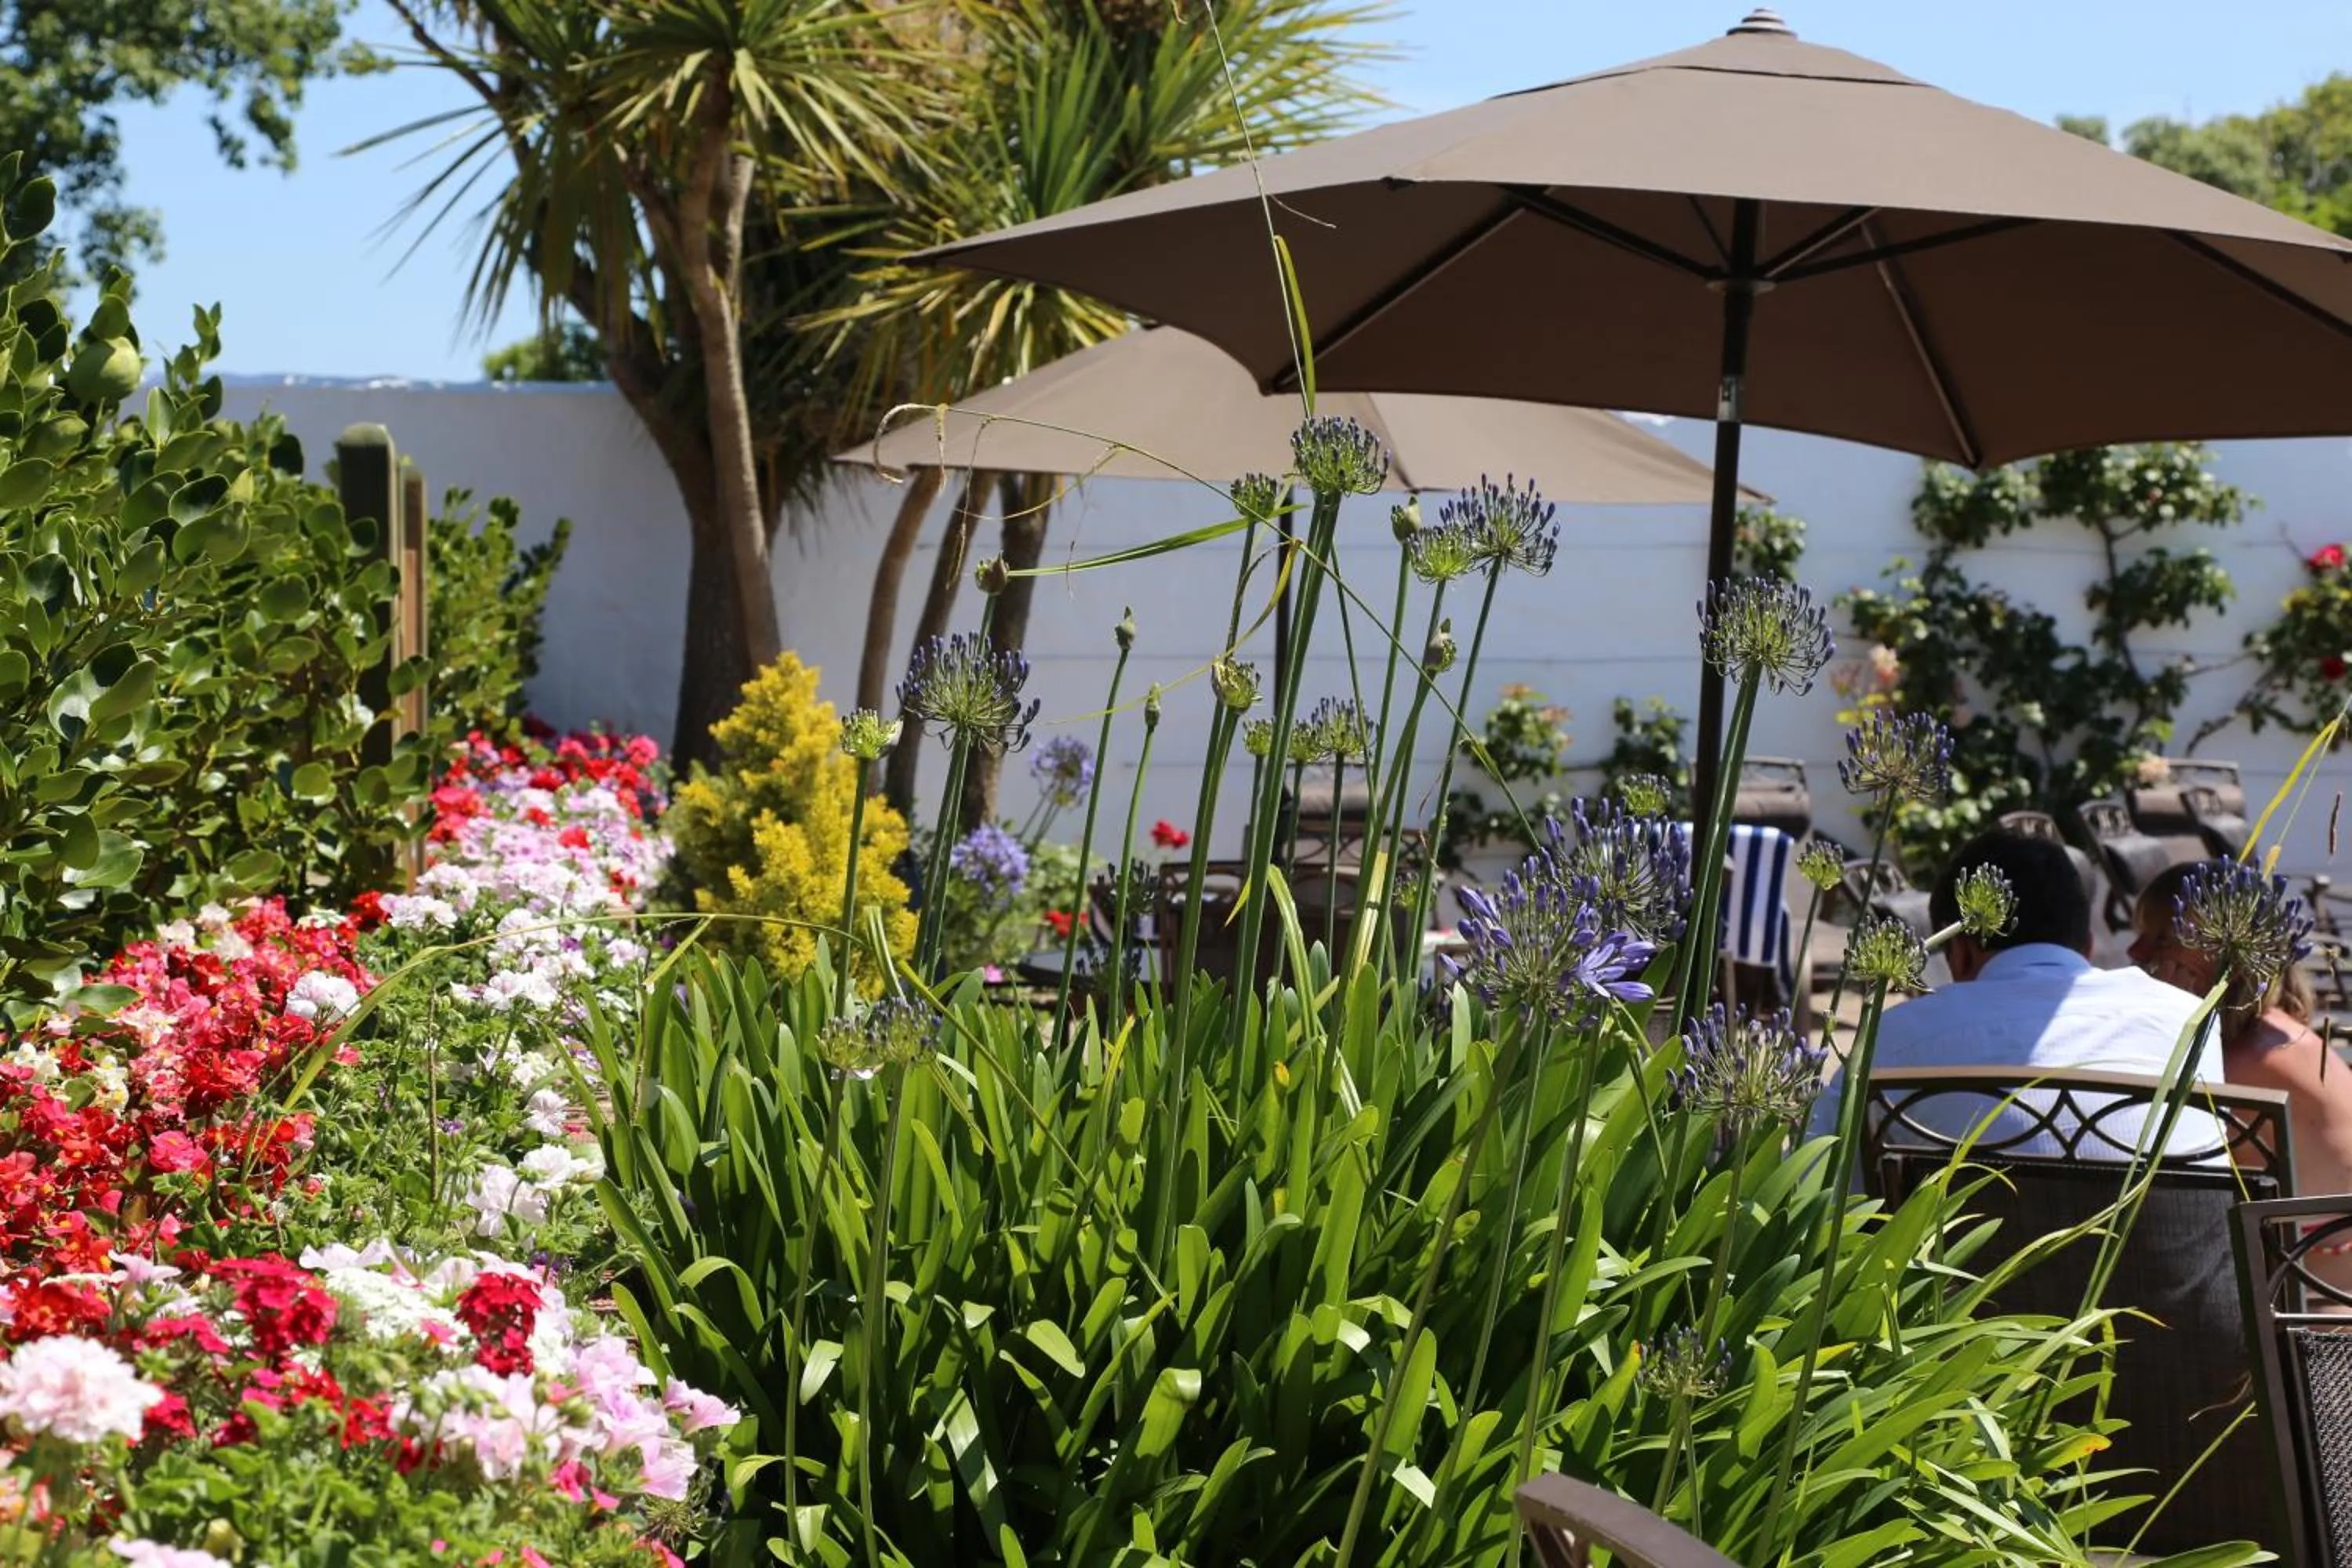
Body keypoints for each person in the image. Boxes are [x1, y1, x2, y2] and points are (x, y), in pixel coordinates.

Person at [1812, 829, 2225, 1156]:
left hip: (1971, 1264)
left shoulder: (1895, 1038)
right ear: (2087, 946)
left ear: (1960, 951)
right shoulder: (2190, 1023)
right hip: (2164, 1263)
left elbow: (1817, 1182)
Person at [2134, 861, 2352, 1205]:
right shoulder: (2279, 1030)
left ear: (2218, 950)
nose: (2136, 953)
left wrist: (2171, 1018)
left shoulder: (2238, 1063)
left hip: (2305, 1256)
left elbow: (2144, 1153)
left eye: (2160, 938)